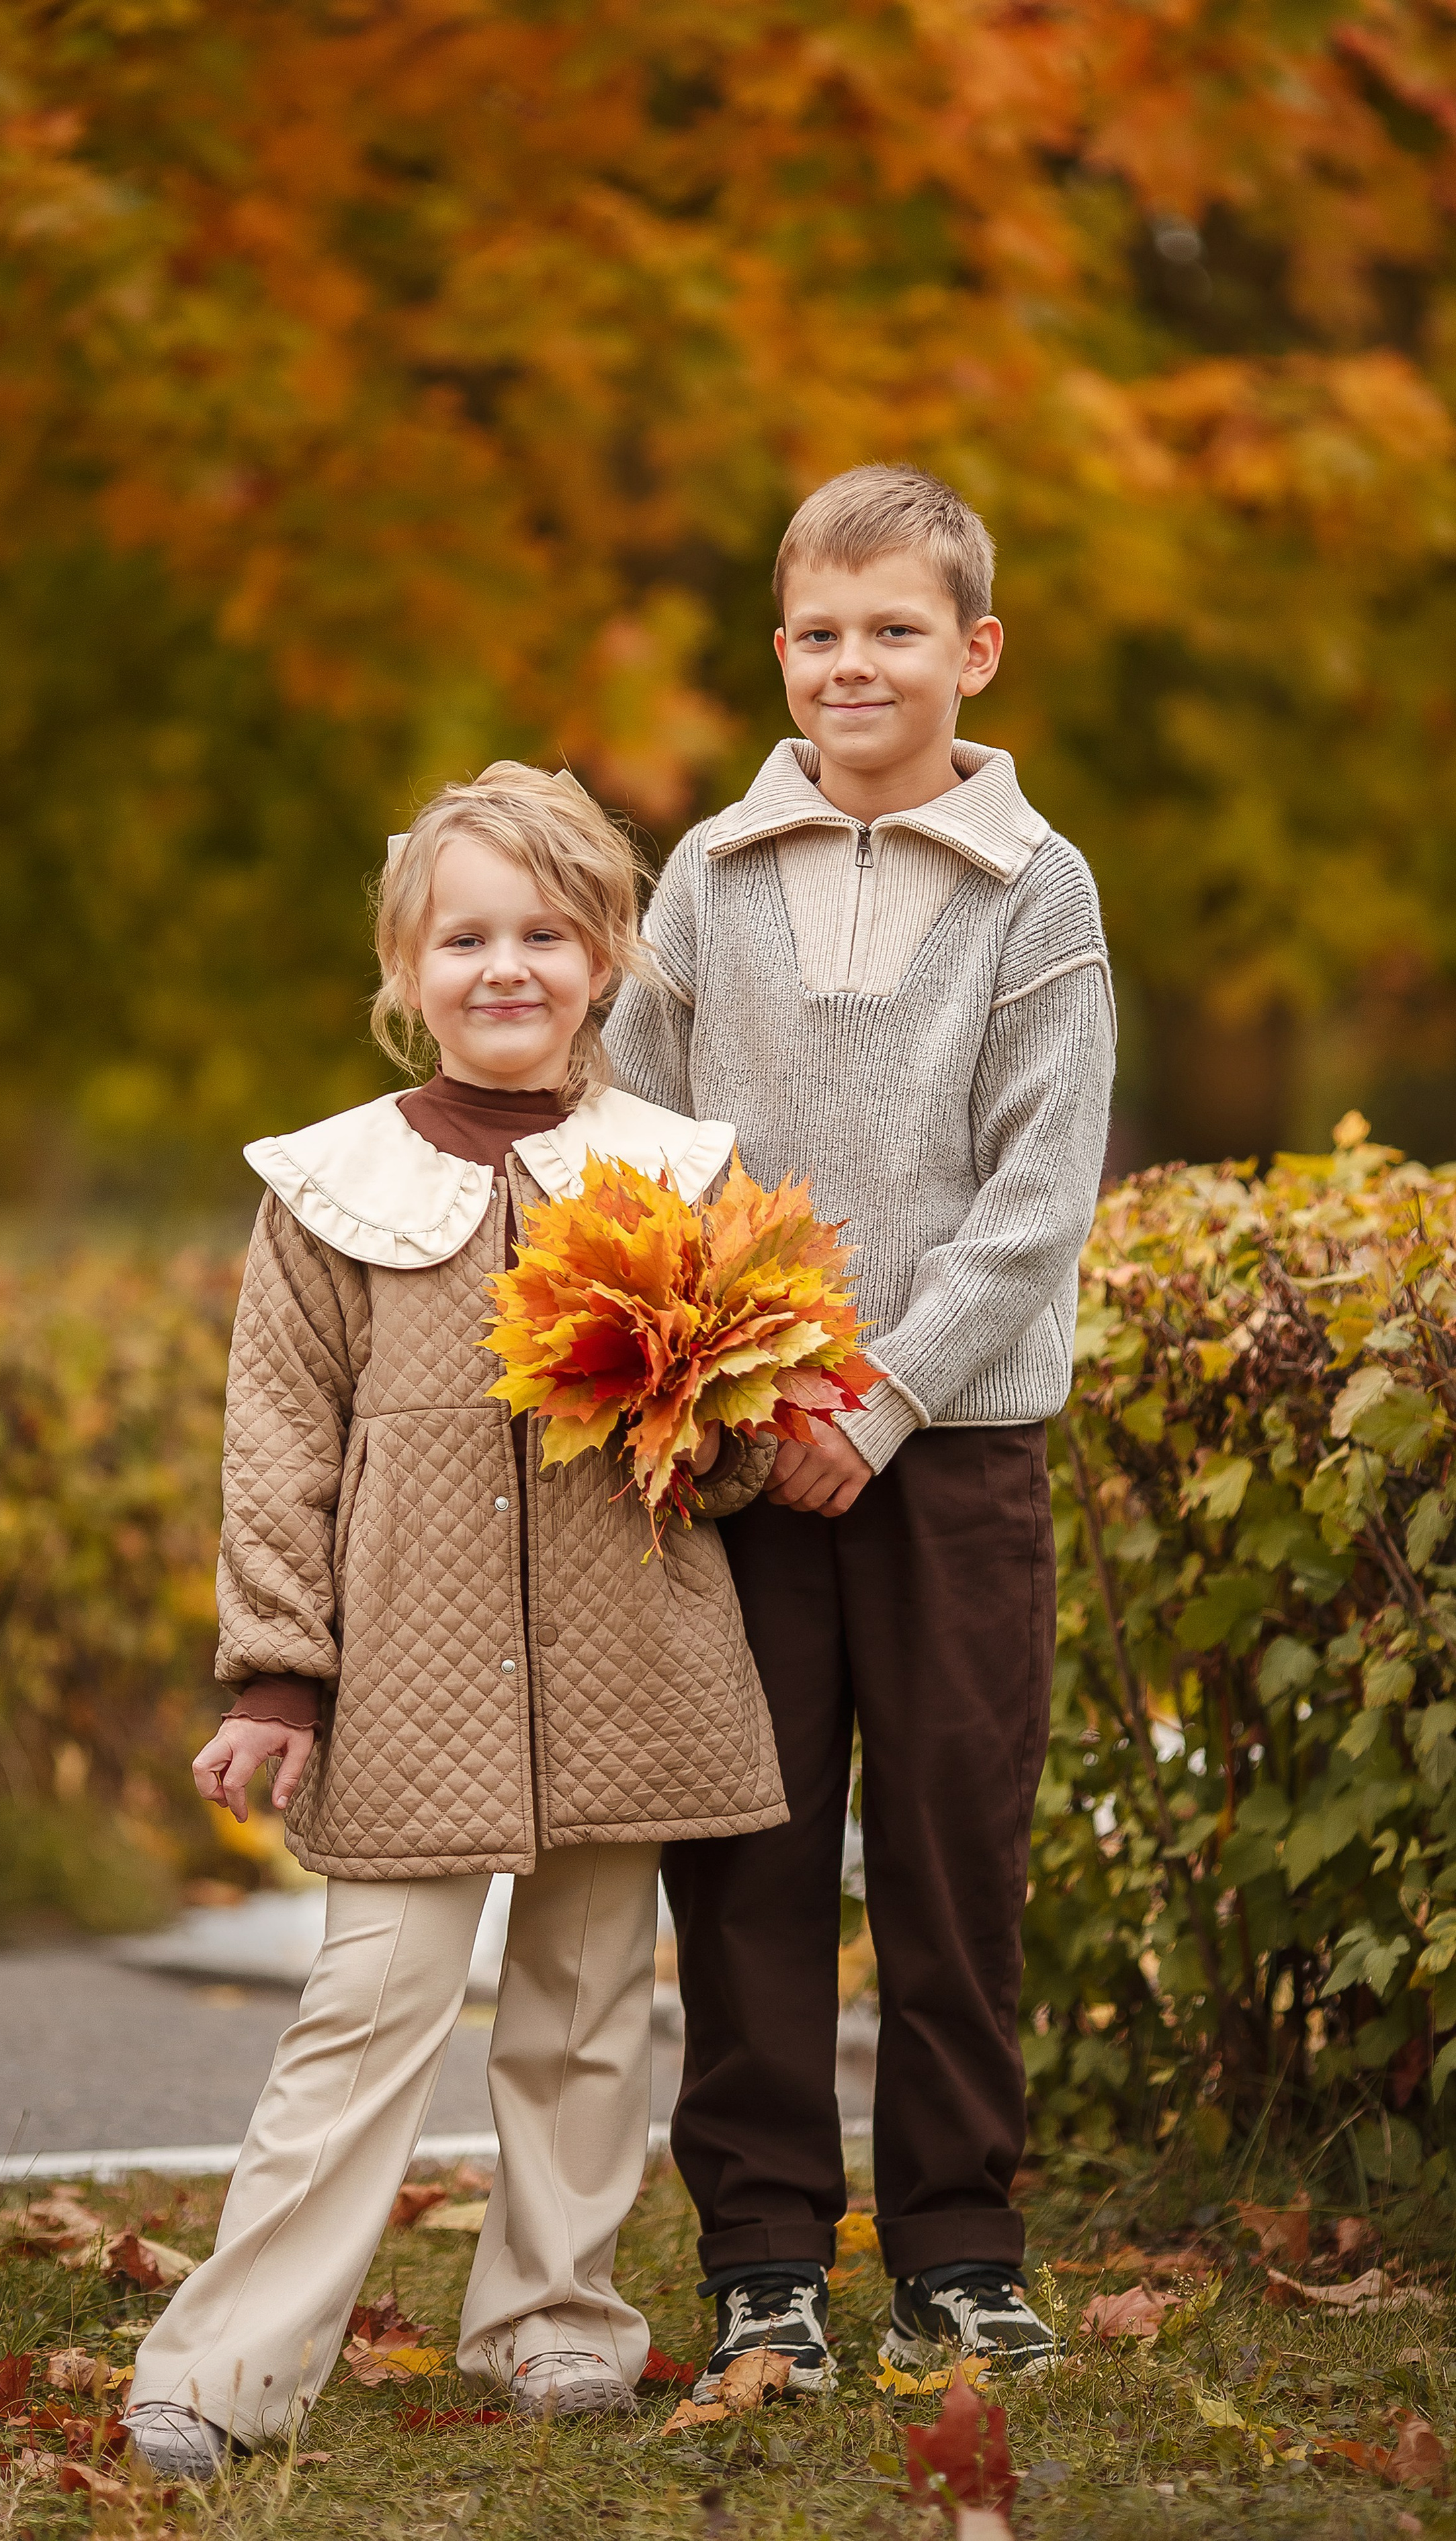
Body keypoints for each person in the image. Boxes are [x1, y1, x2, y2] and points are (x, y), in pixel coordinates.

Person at [122, 763, 785, 2476]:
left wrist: (710, 1413)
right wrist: (279, 1676)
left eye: (546, 934)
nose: (508, 967)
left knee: (586, 2008)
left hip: (626, 1663)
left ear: (604, 957)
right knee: (367, 2009)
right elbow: (279, 1441)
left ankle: (557, 2319)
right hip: (410, 1680)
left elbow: (736, 1444)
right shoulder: (328, 1187)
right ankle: (225, 2366)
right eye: (467, 937)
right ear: (406, 969)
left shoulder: (677, 1168)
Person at [605, 464, 1115, 2391]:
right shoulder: (708, 879)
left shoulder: (1039, 887)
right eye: (819, 631)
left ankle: (959, 2247)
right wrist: (730, 1385)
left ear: (974, 653)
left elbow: (1037, 1195)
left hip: (954, 1452)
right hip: (739, 1453)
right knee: (745, 1853)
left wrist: (886, 1398)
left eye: (895, 629)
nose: (853, 663)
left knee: (949, 1849)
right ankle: (763, 2257)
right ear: (779, 652)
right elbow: (635, 1141)